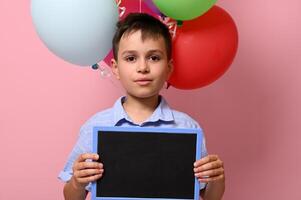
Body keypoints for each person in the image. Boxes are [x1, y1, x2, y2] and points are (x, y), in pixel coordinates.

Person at [59, 13, 225, 200]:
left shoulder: (187, 128)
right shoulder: (94, 127)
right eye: (131, 58)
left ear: (169, 68)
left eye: (154, 58)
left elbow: (209, 197)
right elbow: (71, 197)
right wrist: (77, 183)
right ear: (115, 68)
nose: (143, 67)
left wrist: (217, 180)